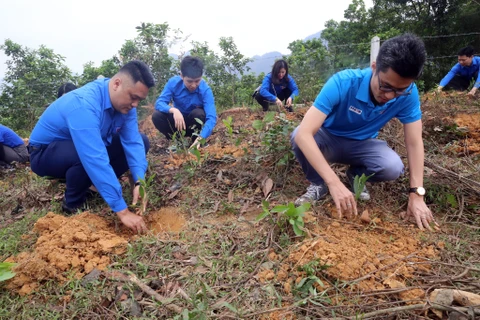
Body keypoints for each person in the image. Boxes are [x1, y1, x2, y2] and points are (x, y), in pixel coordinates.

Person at [291, 33, 439, 231]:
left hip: (362, 144)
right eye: (385, 86)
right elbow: (304, 134)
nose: (389, 96)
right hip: (328, 140)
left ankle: (356, 175)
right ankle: (319, 183)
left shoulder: (409, 95)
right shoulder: (343, 83)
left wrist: (416, 194)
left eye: (399, 90)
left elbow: (414, 142)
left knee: (392, 166)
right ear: (374, 66)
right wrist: (333, 182)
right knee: (297, 135)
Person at [28, 60, 155, 234]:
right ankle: (72, 204)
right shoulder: (84, 104)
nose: (135, 105)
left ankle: (91, 188)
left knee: (142, 140)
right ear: (117, 84)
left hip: (84, 147)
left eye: (139, 100)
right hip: (44, 153)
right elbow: (93, 157)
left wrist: (140, 181)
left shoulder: (126, 107)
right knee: (85, 155)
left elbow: (132, 142)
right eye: (133, 97)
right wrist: (123, 212)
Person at [152, 56, 217, 149]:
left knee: (199, 113)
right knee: (157, 116)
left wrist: (201, 138)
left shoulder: (205, 90)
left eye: (197, 81)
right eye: (189, 81)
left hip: (195, 124)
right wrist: (173, 110)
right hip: (178, 123)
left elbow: (211, 117)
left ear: (201, 77)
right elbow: (159, 103)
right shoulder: (173, 83)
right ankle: (178, 142)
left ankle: (197, 142)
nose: (193, 85)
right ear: (182, 76)